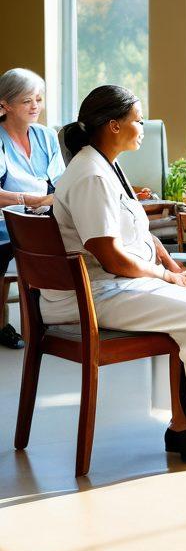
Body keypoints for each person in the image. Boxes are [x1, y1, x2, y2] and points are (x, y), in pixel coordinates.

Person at [46, 86, 186, 463]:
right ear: (114, 126)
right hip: (94, 294)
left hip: (120, 284)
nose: (143, 126)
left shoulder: (108, 164)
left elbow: (139, 233)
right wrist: (165, 278)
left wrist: (173, 267)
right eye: (138, 120)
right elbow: (112, 257)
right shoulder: (91, 176)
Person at [0, 68, 65, 350]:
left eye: (39, 99)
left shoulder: (46, 136)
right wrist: (32, 200)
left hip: (40, 219)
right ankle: (2, 324)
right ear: (5, 105)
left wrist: (50, 202)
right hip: (4, 222)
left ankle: (55, 317)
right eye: (27, 100)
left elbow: (61, 182)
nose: (36, 106)